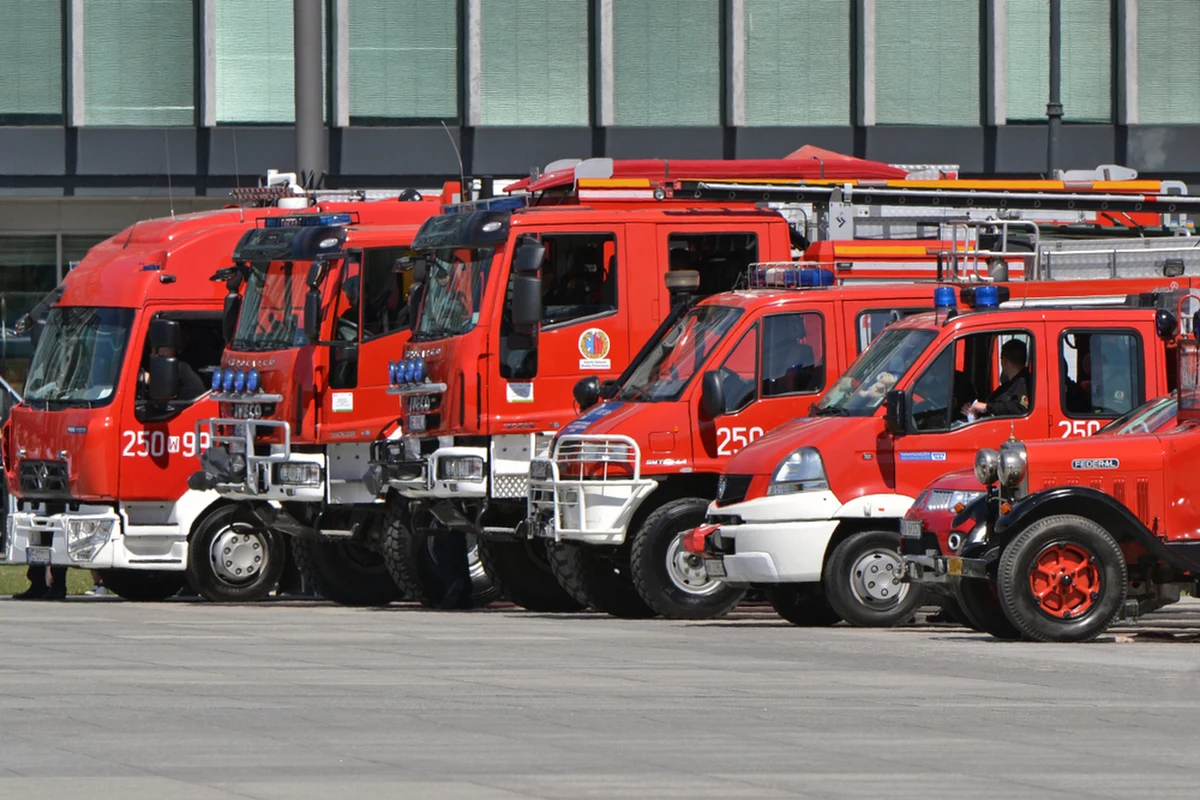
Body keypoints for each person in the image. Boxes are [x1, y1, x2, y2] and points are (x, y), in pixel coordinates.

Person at [963, 340, 1031, 418]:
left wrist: (987, 407)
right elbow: (993, 404)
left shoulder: (1024, 382)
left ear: (1004, 361)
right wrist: (975, 410)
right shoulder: (1010, 384)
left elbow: (1020, 408)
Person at [140, 332, 206, 401]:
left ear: (166, 351)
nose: (151, 355)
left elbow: (160, 384)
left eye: (154, 351)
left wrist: (141, 376)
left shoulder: (179, 368)